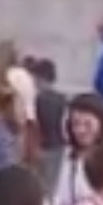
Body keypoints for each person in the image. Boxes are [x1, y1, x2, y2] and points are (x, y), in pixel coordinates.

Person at [51, 93, 103, 205]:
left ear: (102, 123)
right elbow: (62, 196)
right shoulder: (71, 154)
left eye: (88, 124)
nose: (80, 130)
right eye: (76, 124)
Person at [0, 41, 40, 167]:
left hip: (13, 124)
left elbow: (10, 100)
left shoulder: (10, 75)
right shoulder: (25, 75)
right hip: (29, 123)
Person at [33, 59, 69, 192]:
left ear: (40, 78)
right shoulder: (62, 98)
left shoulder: (38, 98)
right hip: (59, 145)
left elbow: (37, 124)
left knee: (43, 183)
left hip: (44, 145)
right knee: (54, 182)